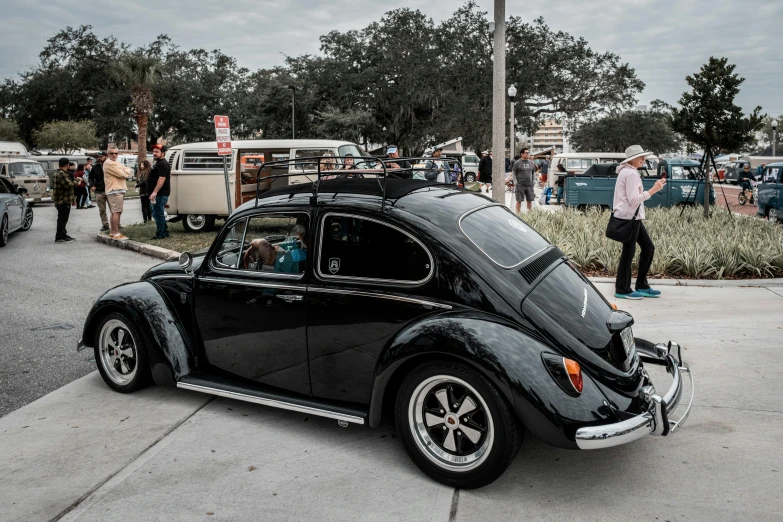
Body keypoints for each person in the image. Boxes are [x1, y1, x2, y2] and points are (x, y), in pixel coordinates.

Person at [612, 145, 667, 300]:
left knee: (647, 248)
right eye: (641, 157)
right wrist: (653, 190)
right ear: (632, 159)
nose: (644, 160)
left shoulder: (627, 172)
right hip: (630, 218)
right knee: (630, 253)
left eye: (644, 157)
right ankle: (623, 289)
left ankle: (640, 285)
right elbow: (633, 199)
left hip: (630, 217)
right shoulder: (631, 174)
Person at [103, 147, 132, 239]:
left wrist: (125, 171)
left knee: (114, 212)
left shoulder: (116, 162)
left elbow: (127, 169)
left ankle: (112, 232)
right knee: (117, 211)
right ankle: (116, 233)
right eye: (112, 153)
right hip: (115, 189)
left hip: (117, 189)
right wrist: (126, 172)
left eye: (116, 153)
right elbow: (122, 174)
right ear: (108, 154)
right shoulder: (109, 163)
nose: (114, 155)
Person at [52, 157, 78, 243]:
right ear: (67, 165)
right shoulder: (62, 174)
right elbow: (69, 185)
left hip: (61, 199)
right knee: (62, 219)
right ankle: (59, 236)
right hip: (63, 200)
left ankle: (63, 234)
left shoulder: (57, 173)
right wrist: (78, 180)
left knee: (63, 219)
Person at [148, 144, 171, 240]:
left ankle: (161, 234)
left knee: (158, 213)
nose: (154, 153)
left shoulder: (163, 164)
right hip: (158, 194)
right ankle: (164, 231)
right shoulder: (158, 163)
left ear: (163, 153)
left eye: (157, 152)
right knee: (158, 213)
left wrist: (154, 192)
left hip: (160, 194)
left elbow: (161, 179)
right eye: (153, 151)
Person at [512, 148, 536, 213]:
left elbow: (533, 172)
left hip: (529, 185)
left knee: (530, 200)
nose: (528, 154)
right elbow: (514, 173)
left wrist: (533, 181)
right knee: (519, 200)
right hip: (520, 185)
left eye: (528, 153)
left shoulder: (531, 163)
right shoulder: (517, 163)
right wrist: (515, 182)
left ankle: (529, 214)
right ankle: (518, 214)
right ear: (522, 154)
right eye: (526, 153)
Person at [90, 151, 109, 232]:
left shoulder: (110, 165)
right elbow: (90, 177)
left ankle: (117, 224)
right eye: (98, 157)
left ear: (106, 156)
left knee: (114, 210)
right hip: (99, 191)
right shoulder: (95, 167)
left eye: (101, 156)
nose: (99, 158)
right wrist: (92, 185)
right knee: (102, 210)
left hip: (110, 190)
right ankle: (105, 224)